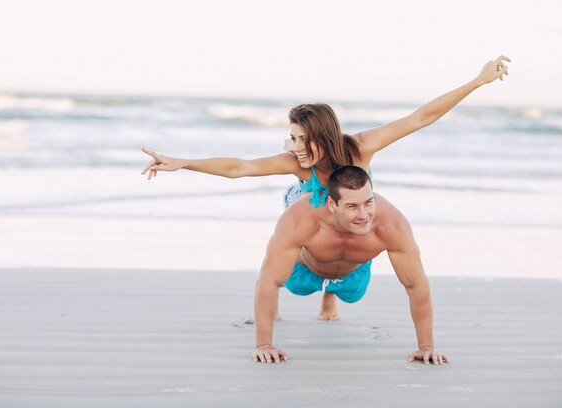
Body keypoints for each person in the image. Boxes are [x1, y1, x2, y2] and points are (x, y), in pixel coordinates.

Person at [141, 56, 509, 319]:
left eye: (303, 139)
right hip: (309, 218)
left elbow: (420, 117)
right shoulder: (296, 165)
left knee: (351, 290)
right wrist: (183, 162)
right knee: (297, 283)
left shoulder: (360, 147)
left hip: (348, 221)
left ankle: (331, 292)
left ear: (324, 136)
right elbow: (240, 167)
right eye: (292, 137)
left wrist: (478, 80)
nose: (294, 147)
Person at [252, 165, 448, 365]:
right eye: (352, 206)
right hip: (303, 270)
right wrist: (264, 344)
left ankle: (330, 294)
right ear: (331, 204)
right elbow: (269, 279)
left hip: (352, 275)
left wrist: (426, 347)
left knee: (353, 295)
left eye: (368, 202)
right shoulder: (300, 219)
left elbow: (415, 285)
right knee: (278, 274)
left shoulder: (392, 224)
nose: (363, 215)